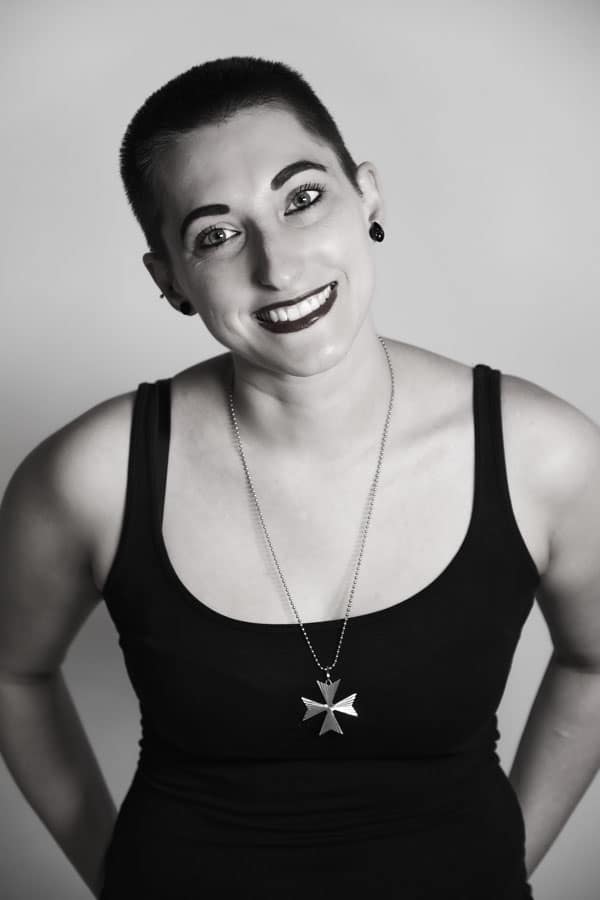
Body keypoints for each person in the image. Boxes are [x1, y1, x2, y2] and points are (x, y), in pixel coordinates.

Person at [1, 56, 599, 900]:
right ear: (168, 277)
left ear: (369, 196)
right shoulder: (87, 476)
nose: (277, 266)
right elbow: (12, 672)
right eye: (216, 234)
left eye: (303, 198)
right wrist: (114, 872)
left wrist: (504, 858)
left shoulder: (546, 454)